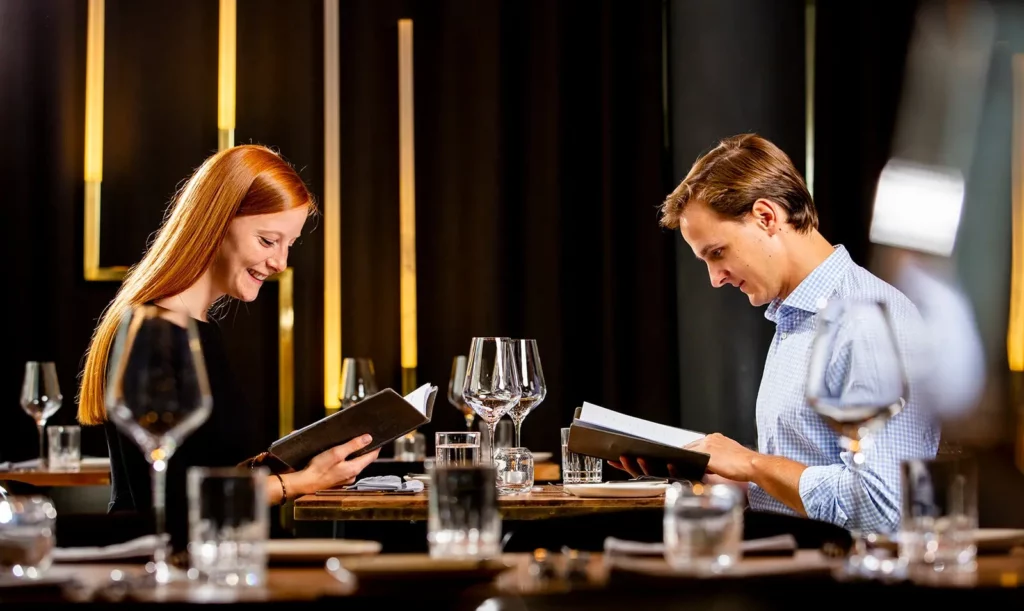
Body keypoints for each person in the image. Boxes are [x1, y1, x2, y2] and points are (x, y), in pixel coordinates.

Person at [610, 134, 939, 534]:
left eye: (717, 253)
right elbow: (813, 478)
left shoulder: (867, 320)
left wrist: (752, 463)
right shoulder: (797, 319)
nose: (714, 279)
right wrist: (729, 478)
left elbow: (885, 507)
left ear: (766, 217)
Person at [77, 144, 380, 547]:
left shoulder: (199, 330)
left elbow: (210, 469)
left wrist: (286, 460)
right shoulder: (155, 333)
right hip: (181, 564)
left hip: (226, 555)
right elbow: (177, 502)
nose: (280, 264)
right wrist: (305, 481)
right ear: (217, 223)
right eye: (269, 240)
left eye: (289, 244)